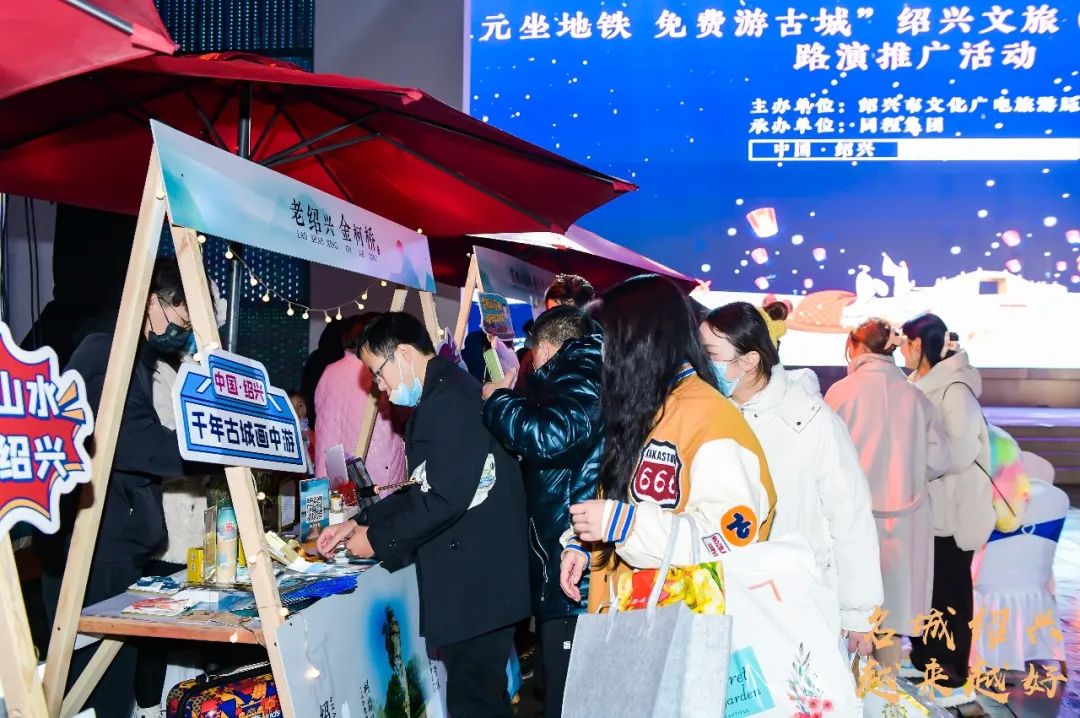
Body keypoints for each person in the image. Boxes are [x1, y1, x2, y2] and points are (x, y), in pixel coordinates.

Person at [316, 312, 529, 717]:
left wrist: (376, 540)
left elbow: (444, 499)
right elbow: (421, 487)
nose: (380, 387)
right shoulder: (443, 394)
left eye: (378, 374)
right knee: (478, 698)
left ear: (402, 354)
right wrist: (361, 522)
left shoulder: (449, 403)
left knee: (475, 704)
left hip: (479, 585)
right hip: (478, 584)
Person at [36, 257, 201, 717]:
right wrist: (210, 447)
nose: (184, 331)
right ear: (151, 302)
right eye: (183, 318)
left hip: (114, 544)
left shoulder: (135, 355)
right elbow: (131, 440)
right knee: (97, 693)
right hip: (93, 550)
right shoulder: (106, 352)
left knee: (114, 685)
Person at [560, 275, 776, 611]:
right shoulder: (644, 408)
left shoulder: (710, 419)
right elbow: (626, 500)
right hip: (633, 615)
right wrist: (585, 543)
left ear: (640, 341)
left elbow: (729, 541)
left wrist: (626, 526)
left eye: (607, 339)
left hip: (684, 625)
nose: (601, 353)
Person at [700, 302, 883, 656]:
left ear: (749, 361)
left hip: (796, 600)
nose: (702, 363)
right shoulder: (712, 415)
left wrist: (859, 612)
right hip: (727, 598)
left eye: (711, 354)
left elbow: (850, 516)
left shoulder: (811, 420)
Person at [480, 306, 603, 718]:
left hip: (572, 558)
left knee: (568, 698)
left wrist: (498, 401)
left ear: (546, 349)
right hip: (570, 548)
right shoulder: (585, 371)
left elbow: (552, 436)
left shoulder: (579, 371)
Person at [824, 319, 951, 671]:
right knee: (891, 620)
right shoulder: (915, 396)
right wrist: (908, 478)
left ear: (854, 345)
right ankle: (888, 692)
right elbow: (941, 459)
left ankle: (852, 692)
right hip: (907, 520)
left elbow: (823, 459)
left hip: (851, 520)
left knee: (850, 617)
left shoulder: (840, 393)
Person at [900, 313, 995, 708]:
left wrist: (914, 463)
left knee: (950, 595)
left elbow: (959, 452)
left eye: (904, 342)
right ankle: (925, 660)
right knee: (927, 589)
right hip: (928, 507)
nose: (900, 350)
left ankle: (952, 674)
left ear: (918, 344)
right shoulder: (918, 383)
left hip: (953, 512)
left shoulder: (955, 388)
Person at [313, 314, 406, 486]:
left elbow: (323, 428)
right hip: (380, 464)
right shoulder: (379, 370)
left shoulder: (329, 372)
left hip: (337, 469)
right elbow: (401, 414)